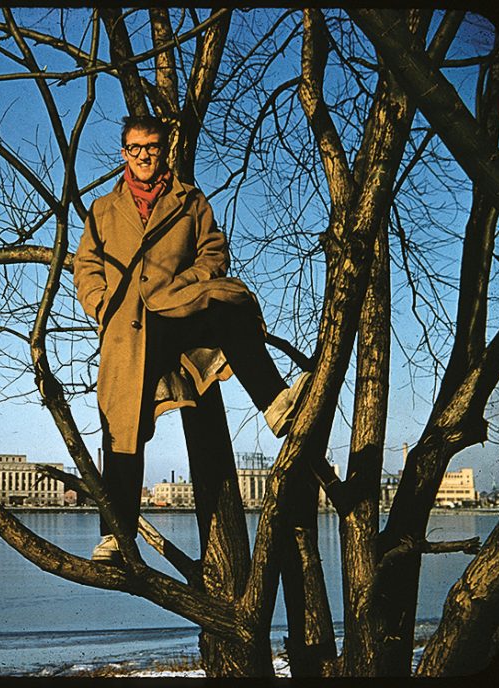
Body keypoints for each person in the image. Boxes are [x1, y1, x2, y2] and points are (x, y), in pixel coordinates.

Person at [73, 115, 310, 565]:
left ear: (164, 151)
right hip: (129, 326)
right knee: (123, 424)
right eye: (136, 148)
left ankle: (276, 402)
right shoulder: (103, 209)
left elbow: (214, 251)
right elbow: (87, 266)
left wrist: (191, 284)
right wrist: (102, 304)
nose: (144, 155)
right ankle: (117, 538)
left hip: (180, 308)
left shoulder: (190, 199)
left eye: (153, 147)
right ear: (124, 153)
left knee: (228, 307)